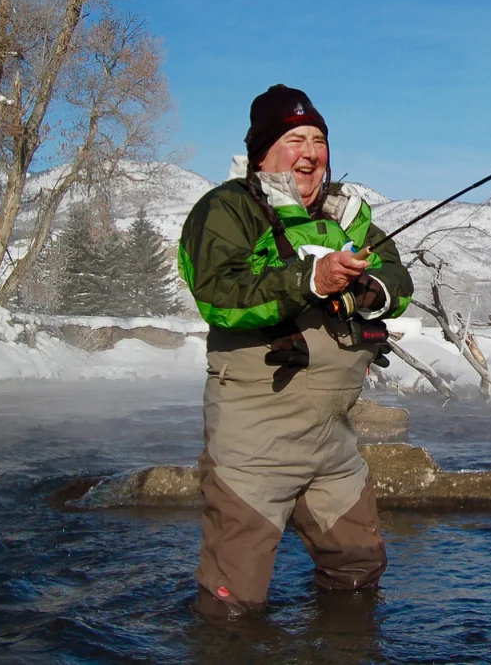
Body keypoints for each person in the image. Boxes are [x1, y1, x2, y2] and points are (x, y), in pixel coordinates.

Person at [177, 85, 414, 618]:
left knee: (358, 571)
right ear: (262, 151)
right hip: (254, 436)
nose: (310, 152)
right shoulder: (227, 209)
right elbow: (220, 295)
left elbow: (398, 273)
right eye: (293, 138)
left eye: (318, 139)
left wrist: (372, 290)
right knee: (232, 606)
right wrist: (310, 278)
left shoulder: (348, 214)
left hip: (332, 438)